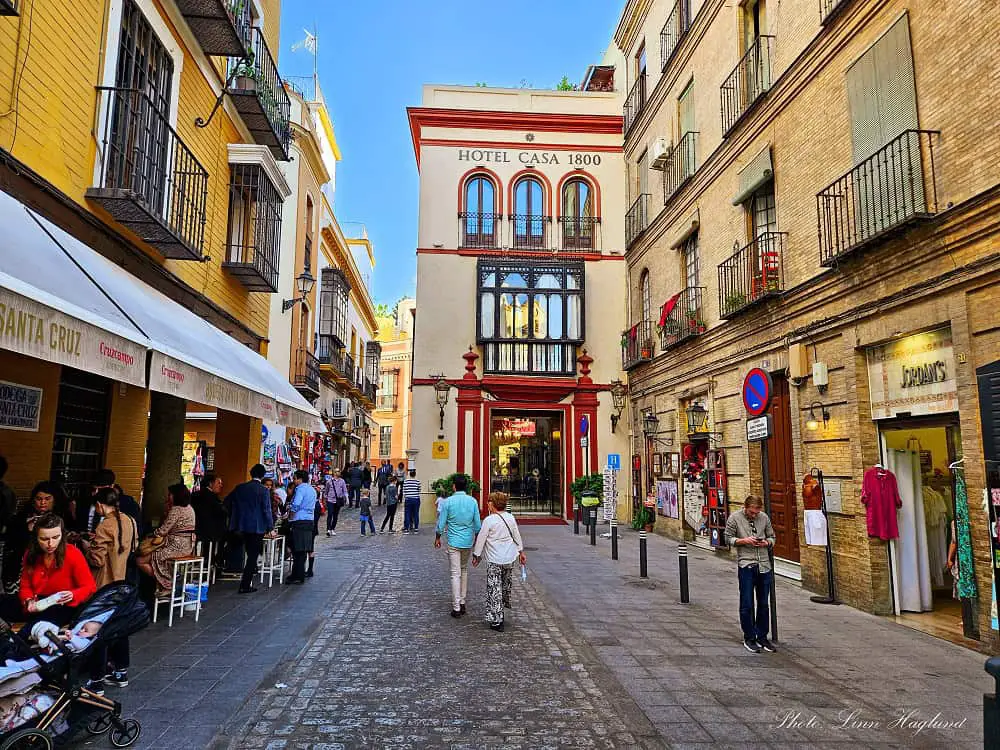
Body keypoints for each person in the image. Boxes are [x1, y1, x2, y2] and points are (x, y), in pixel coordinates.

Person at [82, 487, 137, 690]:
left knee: (98, 629)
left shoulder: (105, 526)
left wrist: (87, 547)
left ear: (99, 505)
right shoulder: (130, 521)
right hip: (122, 581)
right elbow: (133, 547)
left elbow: (97, 559)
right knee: (119, 628)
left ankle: (97, 680)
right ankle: (120, 671)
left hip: (104, 584)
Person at [19, 514, 97, 631]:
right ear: (36, 538)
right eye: (44, 539)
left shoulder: (73, 553)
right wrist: (28, 600)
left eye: (56, 537)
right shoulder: (30, 553)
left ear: (62, 535)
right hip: (38, 602)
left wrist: (73, 594)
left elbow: (90, 586)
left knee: (33, 627)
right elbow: (25, 585)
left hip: (63, 606)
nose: (51, 544)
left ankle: (16, 641)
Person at [724, 495, 776, 654]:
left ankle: (762, 636)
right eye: (751, 512)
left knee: (763, 603)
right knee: (747, 603)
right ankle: (749, 637)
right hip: (746, 565)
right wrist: (744, 541)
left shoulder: (764, 518)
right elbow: (727, 538)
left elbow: (772, 537)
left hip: (764, 565)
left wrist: (767, 542)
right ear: (745, 507)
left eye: (757, 512)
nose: (754, 515)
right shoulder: (735, 518)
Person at [472, 492, 526, 632]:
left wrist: (477, 555)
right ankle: (501, 610)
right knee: (504, 586)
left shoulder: (489, 520)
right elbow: (516, 535)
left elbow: (481, 539)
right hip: (509, 558)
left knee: (494, 588)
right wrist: (521, 552)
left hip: (494, 559)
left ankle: (497, 620)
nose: (487, 504)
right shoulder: (510, 517)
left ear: (492, 504)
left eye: (489, 502)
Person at [3, 482, 69, 595]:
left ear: (54, 500)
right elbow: (11, 542)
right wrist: (26, 528)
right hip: (21, 569)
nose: (43, 502)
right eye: (39, 499)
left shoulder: (61, 518)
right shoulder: (22, 517)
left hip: (51, 569)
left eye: (47, 499)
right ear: (33, 500)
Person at [136, 484, 197, 597]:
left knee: (141, 560)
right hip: (188, 546)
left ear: (176, 495)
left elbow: (163, 530)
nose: (168, 497)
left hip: (176, 546)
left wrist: (151, 534)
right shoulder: (189, 508)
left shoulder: (176, 509)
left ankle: (167, 583)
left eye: (170, 494)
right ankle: (169, 580)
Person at [434, 475, 482, 618]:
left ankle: (456, 607)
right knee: (464, 569)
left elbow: (441, 523)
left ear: (454, 486)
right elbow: (478, 525)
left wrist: (438, 537)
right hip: (467, 542)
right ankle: (462, 602)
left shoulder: (448, 502)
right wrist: (477, 542)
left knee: (455, 573)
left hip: (453, 542)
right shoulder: (472, 501)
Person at [225, 464, 274, 594]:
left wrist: (235, 515)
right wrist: (270, 527)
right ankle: (245, 584)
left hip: (240, 525)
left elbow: (227, 502)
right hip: (257, 527)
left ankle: (231, 569)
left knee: (241, 550)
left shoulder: (240, 488)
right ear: (262, 475)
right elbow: (267, 510)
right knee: (252, 556)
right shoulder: (263, 490)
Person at [88, 470, 142, 538]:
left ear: (112, 486)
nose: (95, 493)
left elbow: (136, 532)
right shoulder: (86, 501)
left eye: (101, 490)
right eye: (93, 489)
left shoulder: (128, 504)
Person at [191, 474, 227, 572]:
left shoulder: (195, 495)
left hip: (197, 529)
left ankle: (209, 561)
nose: (221, 485)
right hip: (211, 531)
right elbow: (220, 512)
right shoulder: (211, 497)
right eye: (218, 483)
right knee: (230, 538)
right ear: (210, 484)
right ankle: (215, 562)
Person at [286, 470, 317, 584]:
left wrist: (290, 515)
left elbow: (296, 504)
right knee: (302, 549)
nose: (294, 481)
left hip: (299, 520)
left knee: (297, 550)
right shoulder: (312, 489)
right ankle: (298, 574)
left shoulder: (300, 489)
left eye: (295, 478)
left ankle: (298, 576)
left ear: (299, 479)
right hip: (309, 520)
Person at [324, 471, 348, 536]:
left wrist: (346, 498)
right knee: (330, 514)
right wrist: (325, 499)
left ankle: (332, 528)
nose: (338, 473)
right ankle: (328, 529)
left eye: (339, 471)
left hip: (338, 500)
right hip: (330, 500)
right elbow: (326, 491)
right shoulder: (329, 481)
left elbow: (345, 490)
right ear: (334, 473)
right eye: (337, 471)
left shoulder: (342, 481)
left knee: (335, 515)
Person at [402, 470, 422, 534]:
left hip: (408, 499)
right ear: (415, 475)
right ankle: (416, 529)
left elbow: (404, 491)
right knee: (416, 514)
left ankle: (406, 529)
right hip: (416, 499)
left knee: (407, 514)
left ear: (409, 474)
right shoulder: (418, 482)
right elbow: (419, 490)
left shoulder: (405, 482)